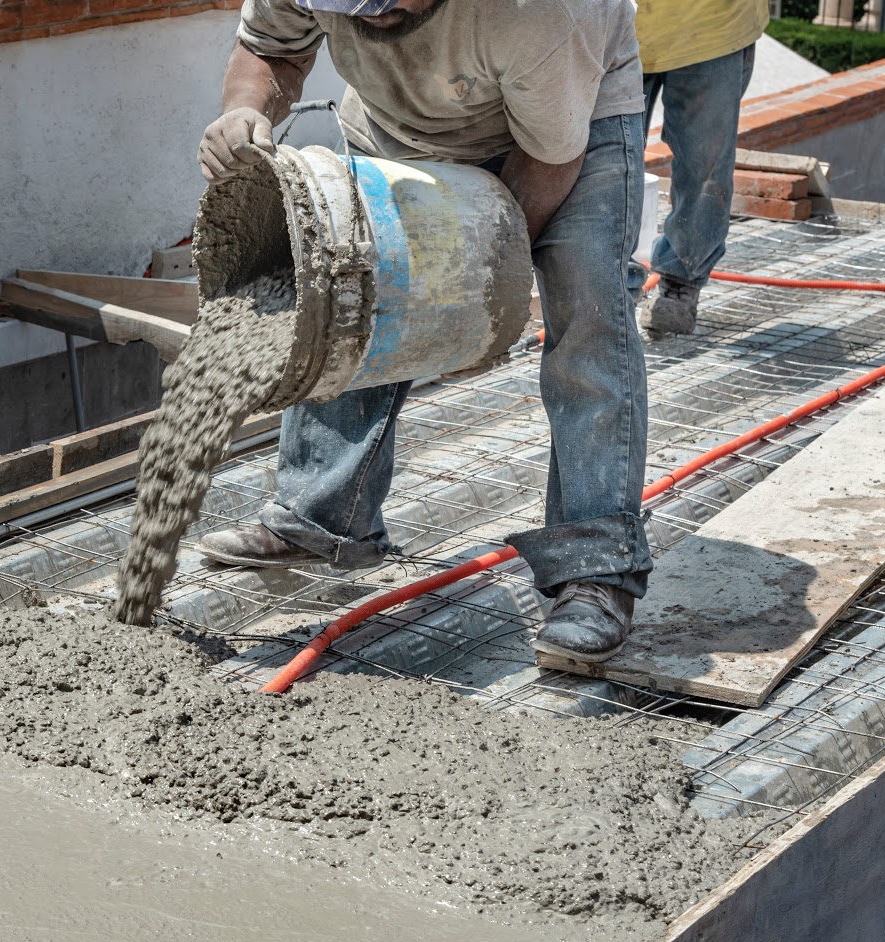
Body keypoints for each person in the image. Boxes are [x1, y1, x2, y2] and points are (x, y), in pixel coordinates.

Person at [194, 0, 653, 662]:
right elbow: (273, 49)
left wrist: (473, 296)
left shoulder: (541, 12)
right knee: (349, 292)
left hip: (568, 122)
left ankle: (596, 571)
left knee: (589, 317)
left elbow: (548, 158)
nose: (373, 21)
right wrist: (245, 109)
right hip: (400, 123)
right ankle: (322, 519)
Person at [638, 0, 769, 335]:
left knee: (704, 169)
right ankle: (607, 287)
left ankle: (681, 281)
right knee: (601, 168)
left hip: (713, 23)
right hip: (614, 24)